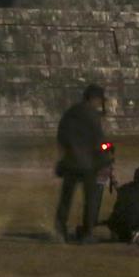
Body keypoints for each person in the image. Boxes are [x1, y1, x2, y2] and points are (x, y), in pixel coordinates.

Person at [54, 83, 108, 242]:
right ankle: (87, 233)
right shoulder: (92, 115)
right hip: (88, 164)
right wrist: (105, 162)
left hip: (70, 161)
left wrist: (66, 154)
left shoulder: (71, 112)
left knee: (66, 198)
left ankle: (60, 230)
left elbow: (61, 135)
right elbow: (99, 141)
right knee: (90, 200)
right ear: (94, 99)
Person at [106, 166, 139, 243]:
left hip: (119, 225)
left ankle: (118, 233)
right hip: (135, 225)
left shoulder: (125, 188)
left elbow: (120, 191)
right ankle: (136, 232)